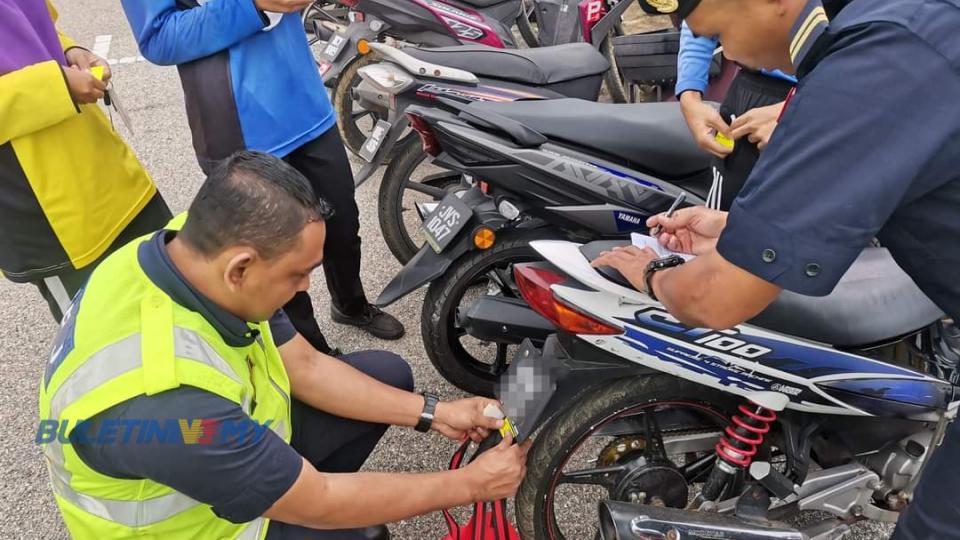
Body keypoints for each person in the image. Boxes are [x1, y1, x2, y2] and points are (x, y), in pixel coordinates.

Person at [600, 0, 960, 537]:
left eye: (718, 30)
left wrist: (653, 274)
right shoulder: (896, 24)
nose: (724, 51)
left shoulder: (875, 64)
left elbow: (716, 299)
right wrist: (737, 227)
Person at [38, 151, 529, 540]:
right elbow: (319, 499)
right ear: (240, 268)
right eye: (296, 275)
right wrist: (470, 485)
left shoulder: (193, 248)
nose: (303, 291)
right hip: (189, 527)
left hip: (216, 451)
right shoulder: (168, 403)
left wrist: (434, 412)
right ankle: (280, 499)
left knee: (388, 374)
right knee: (346, 529)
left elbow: (305, 366)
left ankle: (277, 485)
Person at [119, 0, 405, 347]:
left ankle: (350, 304)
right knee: (277, 253)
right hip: (237, 127)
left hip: (306, 102)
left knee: (342, 223)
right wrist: (251, 6)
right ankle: (311, 353)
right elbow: (160, 38)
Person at [0, 0, 171, 321]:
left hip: (109, 174)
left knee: (176, 299)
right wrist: (58, 84)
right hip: (51, 217)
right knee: (110, 337)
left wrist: (72, 53)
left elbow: (36, 29)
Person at [675, 22, 796, 210]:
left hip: (825, 105)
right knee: (724, 224)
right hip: (748, 94)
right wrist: (689, 93)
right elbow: (700, 10)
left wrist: (799, 106)